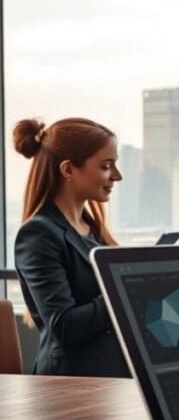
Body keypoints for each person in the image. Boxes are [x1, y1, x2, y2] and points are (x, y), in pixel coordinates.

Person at [12, 117, 130, 377]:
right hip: (71, 385)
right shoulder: (38, 234)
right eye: (106, 166)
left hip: (112, 380)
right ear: (68, 170)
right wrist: (124, 290)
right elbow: (64, 326)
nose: (117, 176)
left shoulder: (95, 232)